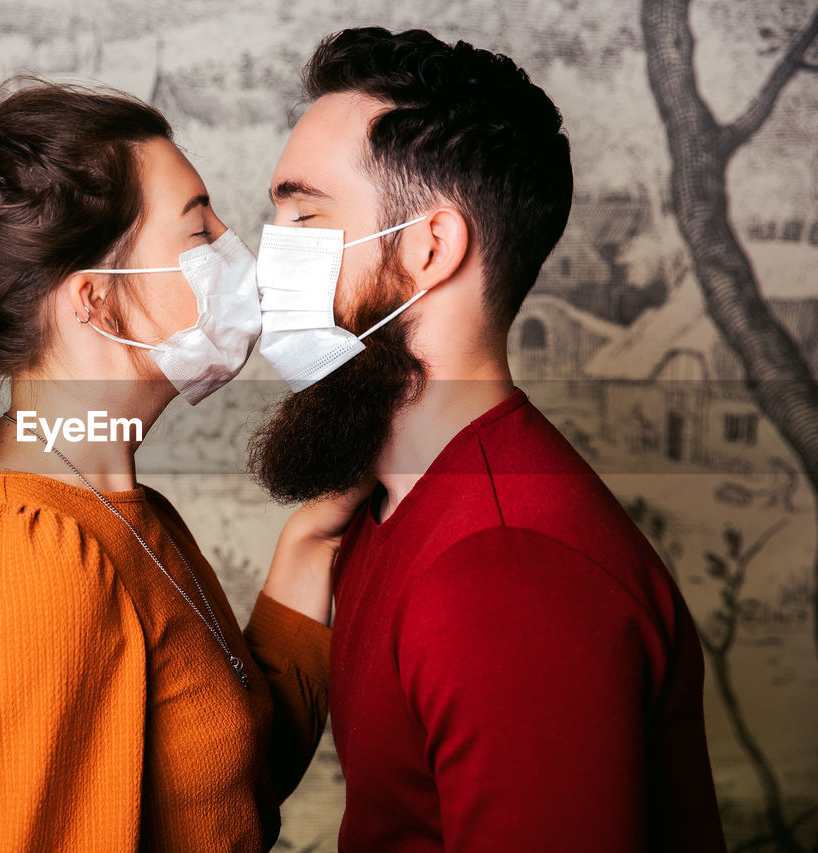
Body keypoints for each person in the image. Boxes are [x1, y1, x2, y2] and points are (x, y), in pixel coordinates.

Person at [0, 78, 347, 851]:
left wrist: (316, 538)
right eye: (200, 233)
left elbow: (227, 790)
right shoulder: (16, 561)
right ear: (98, 302)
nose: (242, 251)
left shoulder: (125, 513)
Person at [248, 28, 727, 852]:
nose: (267, 263)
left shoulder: (507, 577)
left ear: (429, 247)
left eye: (305, 215)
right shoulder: (391, 500)